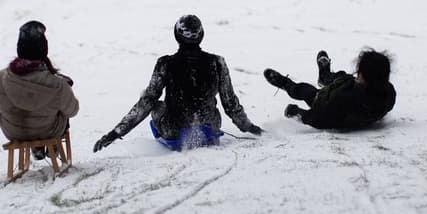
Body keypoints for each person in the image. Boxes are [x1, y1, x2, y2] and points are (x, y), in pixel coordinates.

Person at [93, 14, 263, 152]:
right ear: (201, 35)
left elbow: (146, 102)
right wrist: (248, 126)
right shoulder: (217, 62)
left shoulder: (165, 64)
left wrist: (115, 133)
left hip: (173, 129)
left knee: (156, 105)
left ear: (176, 35)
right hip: (210, 125)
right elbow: (230, 103)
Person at [0, 20, 79, 159]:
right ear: (43, 49)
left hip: (13, 132)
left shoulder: (2, 78)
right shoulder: (57, 84)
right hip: (48, 131)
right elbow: (73, 111)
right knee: (62, 111)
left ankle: (37, 149)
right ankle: (53, 147)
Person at [263, 49, 396, 130]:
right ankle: (325, 76)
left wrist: (299, 113)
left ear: (363, 75)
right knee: (342, 76)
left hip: (323, 103)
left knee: (304, 90)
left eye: (359, 71)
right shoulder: (388, 92)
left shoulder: (344, 98)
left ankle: (285, 84)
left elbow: (321, 120)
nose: (357, 73)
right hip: (348, 102)